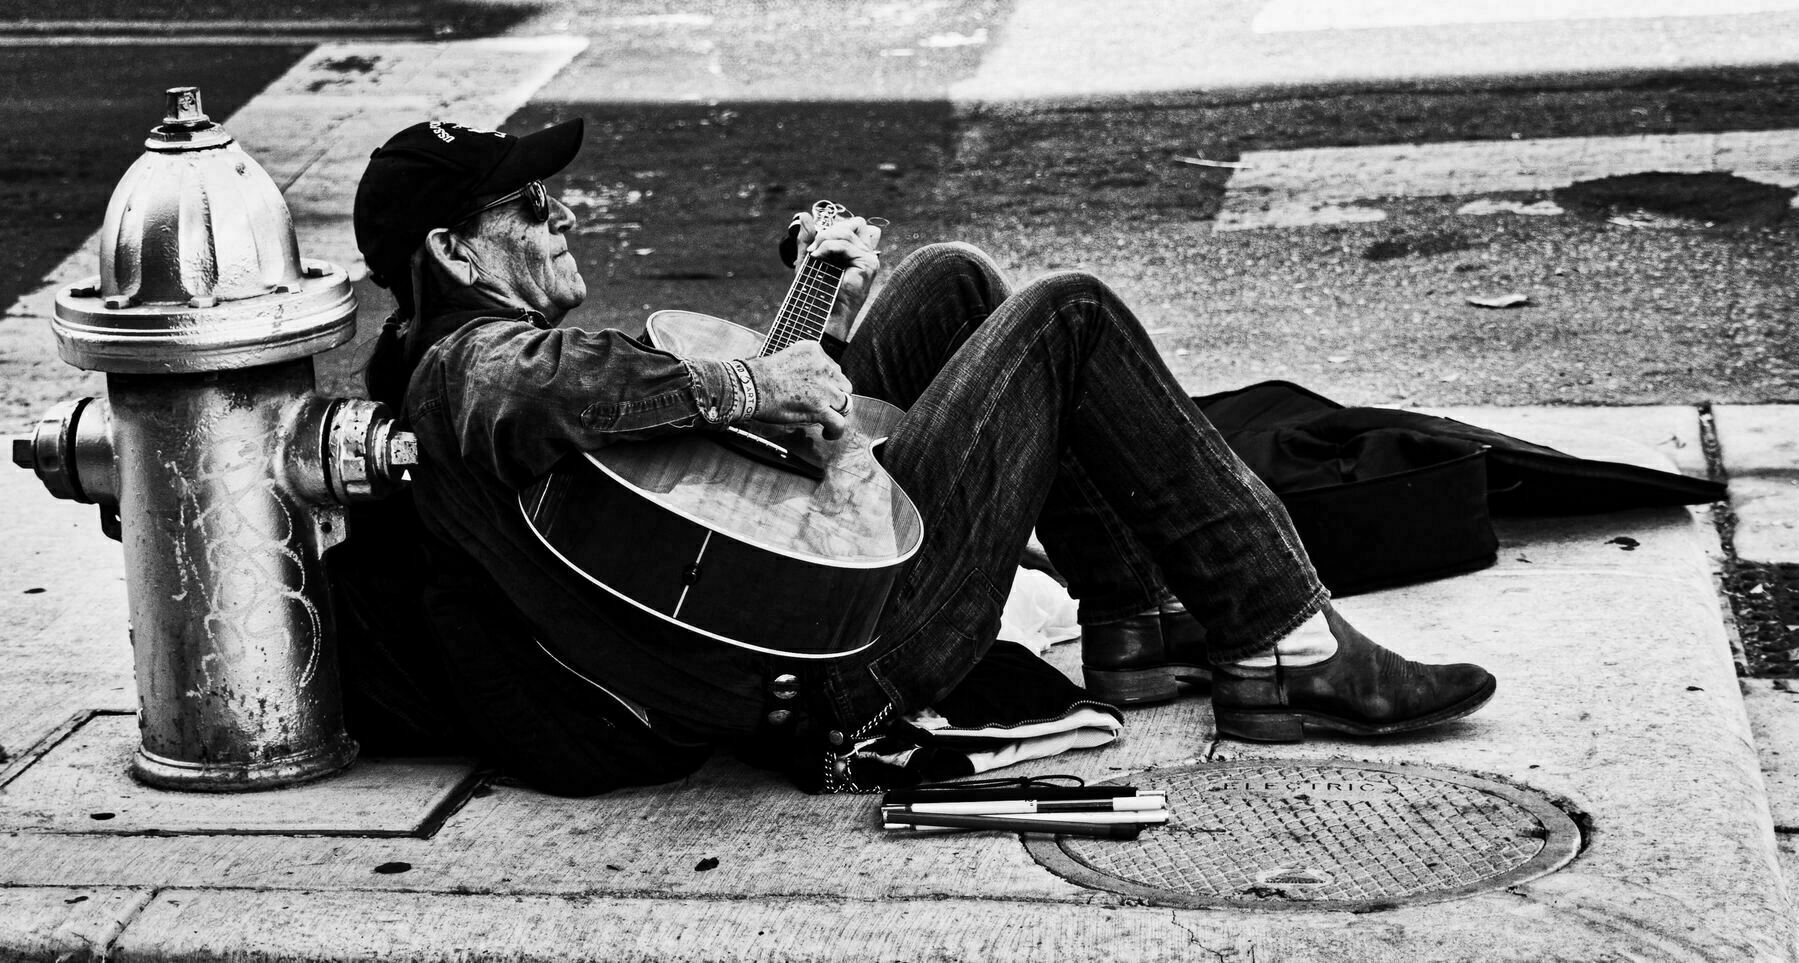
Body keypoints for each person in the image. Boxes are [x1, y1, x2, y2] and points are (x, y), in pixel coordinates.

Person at [334, 117, 1496, 796]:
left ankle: (1130, 622)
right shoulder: (466, 366)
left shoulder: (471, 355)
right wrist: (752, 376)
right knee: (1067, 315)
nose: (562, 215)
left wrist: (815, 314)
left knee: (950, 282)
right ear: (451, 248)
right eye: (529, 205)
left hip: (771, 588)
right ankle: (1279, 635)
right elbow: (548, 391)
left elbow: (715, 479)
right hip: (829, 658)